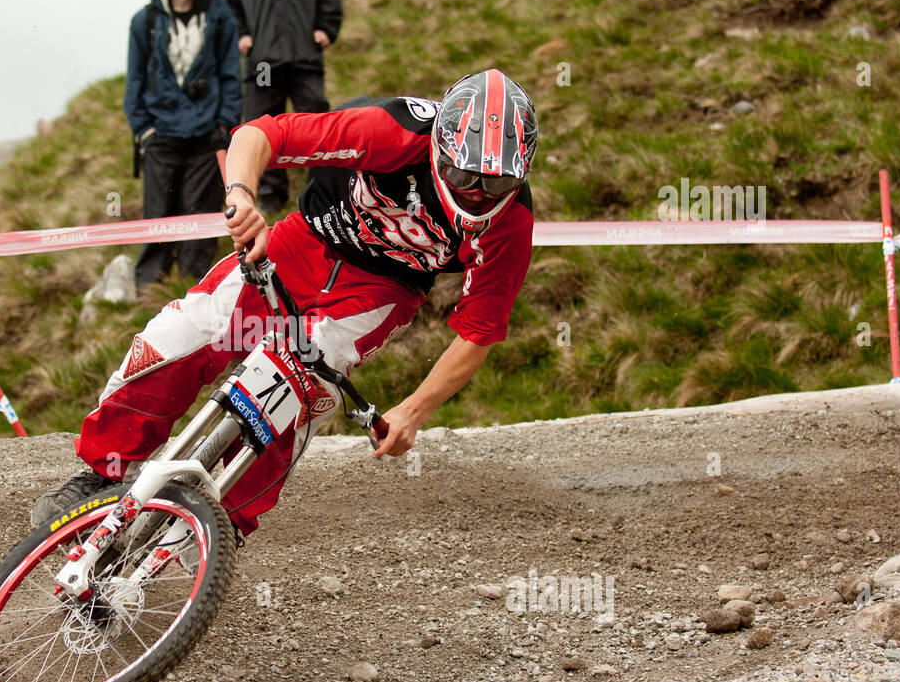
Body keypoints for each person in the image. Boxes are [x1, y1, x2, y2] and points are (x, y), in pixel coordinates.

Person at [33, 69, 539, 533]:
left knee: (293, 390)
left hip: (380, 291)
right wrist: (242, 196)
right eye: (463, 176)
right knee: (180, 336)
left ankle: (219, 527)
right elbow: (261, 134)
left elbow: (479, 331)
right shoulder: (390, 130)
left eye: (496, 182)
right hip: (304, 241)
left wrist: (412, 411)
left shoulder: (511, 221)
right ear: (439, 150)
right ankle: (103, 472)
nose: (476, 193)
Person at [126, 0, 243, 289]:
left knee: (201, 212)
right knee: (158, 211)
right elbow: (134, 80)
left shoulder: (220, 17)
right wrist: (142, 129)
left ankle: (196, 285)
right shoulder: (145, 21)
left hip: (206, 133)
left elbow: (230, 76)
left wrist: (224, 123)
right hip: (160, 133)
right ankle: (150, 284)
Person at [220, 0, 343, 217]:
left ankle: (322, 193)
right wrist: (241, 35)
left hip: (304, 56)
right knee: (262, 124)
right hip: (262, 61)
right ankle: (271, 195)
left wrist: (326, 29)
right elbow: (227, 3)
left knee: (315, 122)